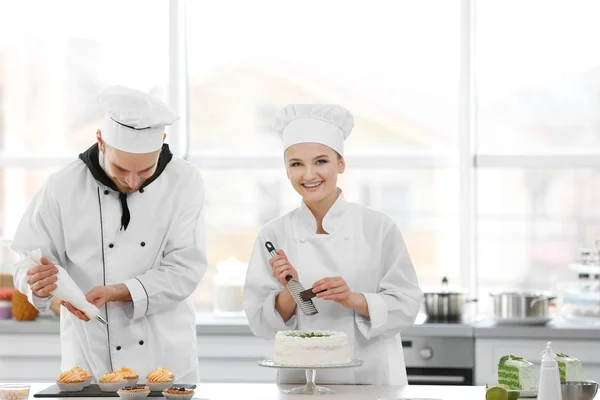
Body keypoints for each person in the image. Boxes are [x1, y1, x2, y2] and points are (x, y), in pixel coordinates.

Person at [11, 85, 207, 382]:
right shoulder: (62, 187)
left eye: (145, 171)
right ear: (101, 141)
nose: (131, 181)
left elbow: (186, 269)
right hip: (90, 356)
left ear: (163, 143)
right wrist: (35, 284)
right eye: (121, 169)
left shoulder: (184, 181)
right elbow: (27, 261)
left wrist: (119, 291)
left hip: (165, 355)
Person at [243, 104, 423, 385]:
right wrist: (290, 290)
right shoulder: (273, 234)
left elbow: (407, 305)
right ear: (286, 169)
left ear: (341, 163)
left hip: (370, 377)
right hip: (300, 383)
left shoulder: (378, 227)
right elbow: (261, 323)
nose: (309, 175)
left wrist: (352, 299)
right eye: (296, 164)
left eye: (321, 161)